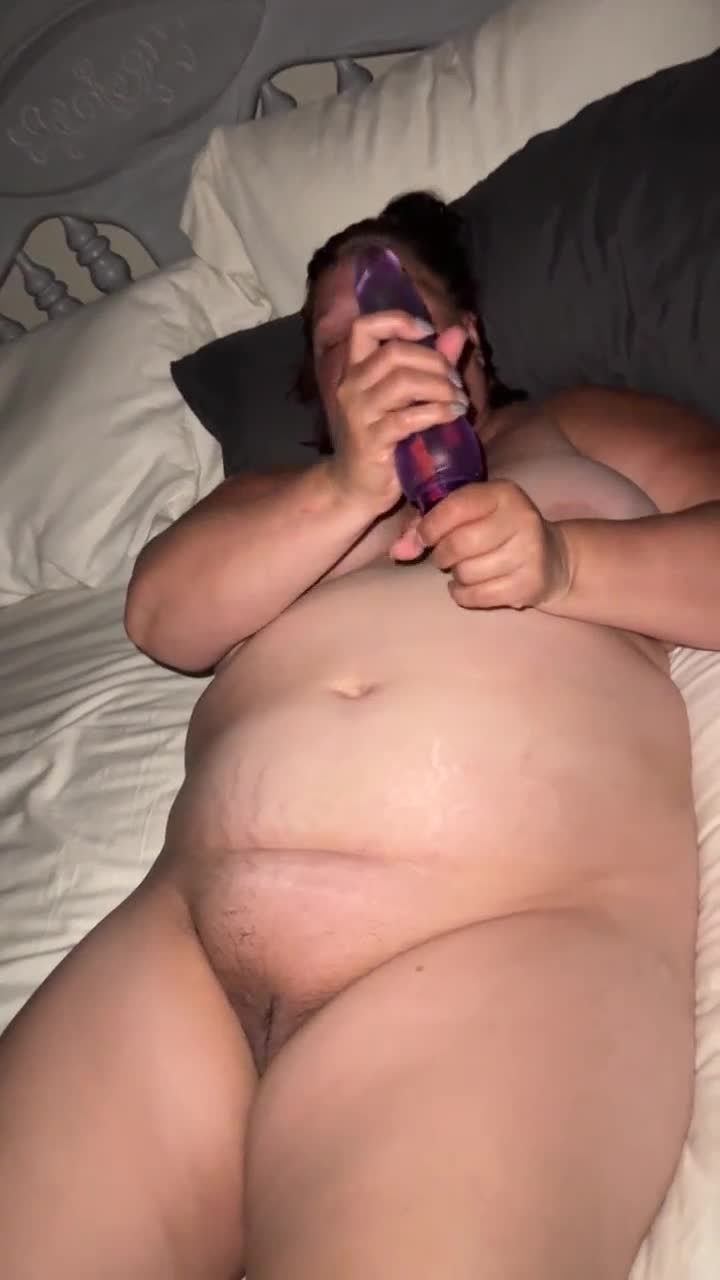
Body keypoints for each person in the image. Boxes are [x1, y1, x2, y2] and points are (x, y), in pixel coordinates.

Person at [0, 191, 719, 1280]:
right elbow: (162, 619)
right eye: (331, 341)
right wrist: (346, 489)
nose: (361, 348)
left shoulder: (577, 429)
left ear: (465, 341)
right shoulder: (275, 501)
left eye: (393, 312)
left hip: (503, 942)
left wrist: (569, 563)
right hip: (182, 956)